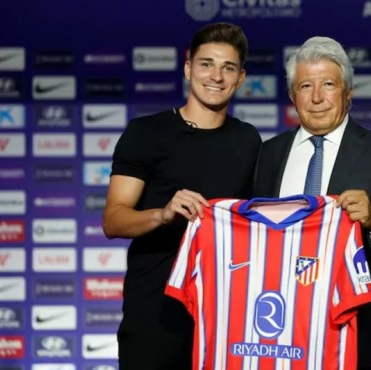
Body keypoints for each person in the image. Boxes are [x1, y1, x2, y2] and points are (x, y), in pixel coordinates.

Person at [253, 36, 371, 370]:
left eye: (328, 84)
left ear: (348, 93)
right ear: (291, 96)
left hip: (353, 327)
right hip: (278, 327)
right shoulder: (268, 153)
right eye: (305, 86)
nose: (316, 98)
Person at [102, 22, 261, 370]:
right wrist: (163, 213)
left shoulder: (249, 141)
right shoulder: (145, 133)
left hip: (225, 316)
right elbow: (113, 219)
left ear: (240, 78)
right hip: (154, 314)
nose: (216, 76)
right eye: (206, 64)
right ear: (188, 68)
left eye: (228, 68)